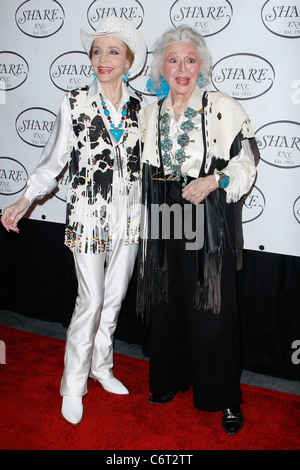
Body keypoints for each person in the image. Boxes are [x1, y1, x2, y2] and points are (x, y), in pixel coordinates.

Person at [1, 17, 147, 425]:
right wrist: (26, 199)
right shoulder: (75, 101)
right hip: (88, 214)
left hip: (131, 216)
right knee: (92, 299)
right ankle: (73, 384)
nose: (103, 59)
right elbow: (53, 162)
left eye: (113, 51)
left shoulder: (144, 107)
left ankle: (102, 367)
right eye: (97, 51)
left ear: (129, 60)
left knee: (115, 298)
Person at [137, 25, 259, 435]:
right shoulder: (149, 111)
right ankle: (170, 379)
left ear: (201, 65)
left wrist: (215, 181)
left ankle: (223, 397)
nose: (182, 68)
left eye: (190, 60)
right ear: (161, 67)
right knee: (167, 299)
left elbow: (246, 163)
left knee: (213, 306)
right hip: (162, 206)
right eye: (173, 60)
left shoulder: (223, 106)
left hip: (204, 208)